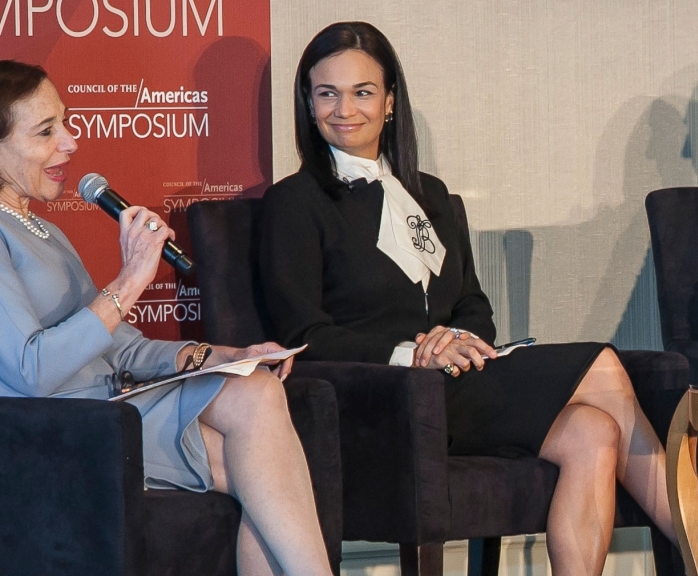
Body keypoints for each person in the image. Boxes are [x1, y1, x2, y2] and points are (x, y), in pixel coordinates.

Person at [259, 22, 675, 576]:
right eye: (326, 92)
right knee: (601, 363)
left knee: (595, 432)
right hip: (382, 399)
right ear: (308, 104)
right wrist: (413, 353)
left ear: (389, 103)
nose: (344, 108)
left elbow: (474, 304)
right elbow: (301, 335)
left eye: (362, 92)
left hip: (460, 383)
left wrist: (458, 338)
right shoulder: (293, 203)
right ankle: (692, 536)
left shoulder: (430, 195)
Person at [0, 59, 333, 575]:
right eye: (46, 131)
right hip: (30, 430)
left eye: (64, 123)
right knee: (264, 456)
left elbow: (122, 347)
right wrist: (131, 280)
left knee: (262, 442)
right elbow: (32, 370)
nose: (70, 142)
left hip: (100, 409)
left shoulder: (40, 228)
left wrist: (227, 355)